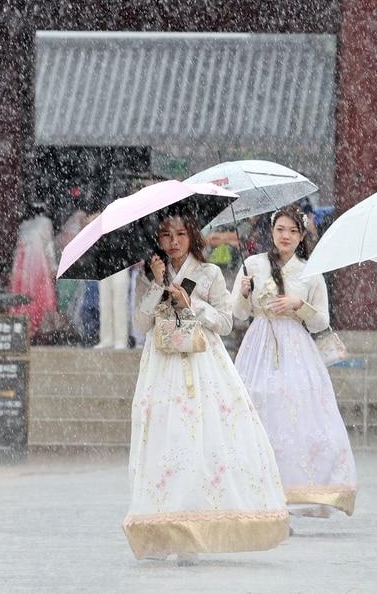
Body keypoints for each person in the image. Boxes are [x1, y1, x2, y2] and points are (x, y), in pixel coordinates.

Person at [123, 213, 289, 563]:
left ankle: (192, 528)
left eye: (181, 234)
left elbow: (226, 322)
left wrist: (191, 304)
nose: (174, 242)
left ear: (192, 236)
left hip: (202, 366)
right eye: (166, 234)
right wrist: (156, 285)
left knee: (196, 440)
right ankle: (159, 527)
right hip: (161, 368)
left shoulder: (210, 273)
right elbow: (140, 322)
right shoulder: (153, 272)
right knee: (163, 441)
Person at [232, 206, 357, 518]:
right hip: (259, 343)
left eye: (292, 231)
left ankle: (298, 489)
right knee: (257, 405)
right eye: (280, 230)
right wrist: (245, 293)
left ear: (301, 236)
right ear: (272, 233)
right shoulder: (253, 265)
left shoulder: (310, 271)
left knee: (297, 412)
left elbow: (321, 321)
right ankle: (257, 488)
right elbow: (237, 314)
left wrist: (299, 305)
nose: (285, 236)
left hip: (296, 346)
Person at [9, 201, 58, 338]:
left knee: (24, 293)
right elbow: (49, 247)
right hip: (37, 263)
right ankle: (39, 327)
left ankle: (23, 325)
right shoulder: (46, 223)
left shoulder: (24, 225)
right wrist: (53, 267)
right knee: (40, 294)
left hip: (22, 265)